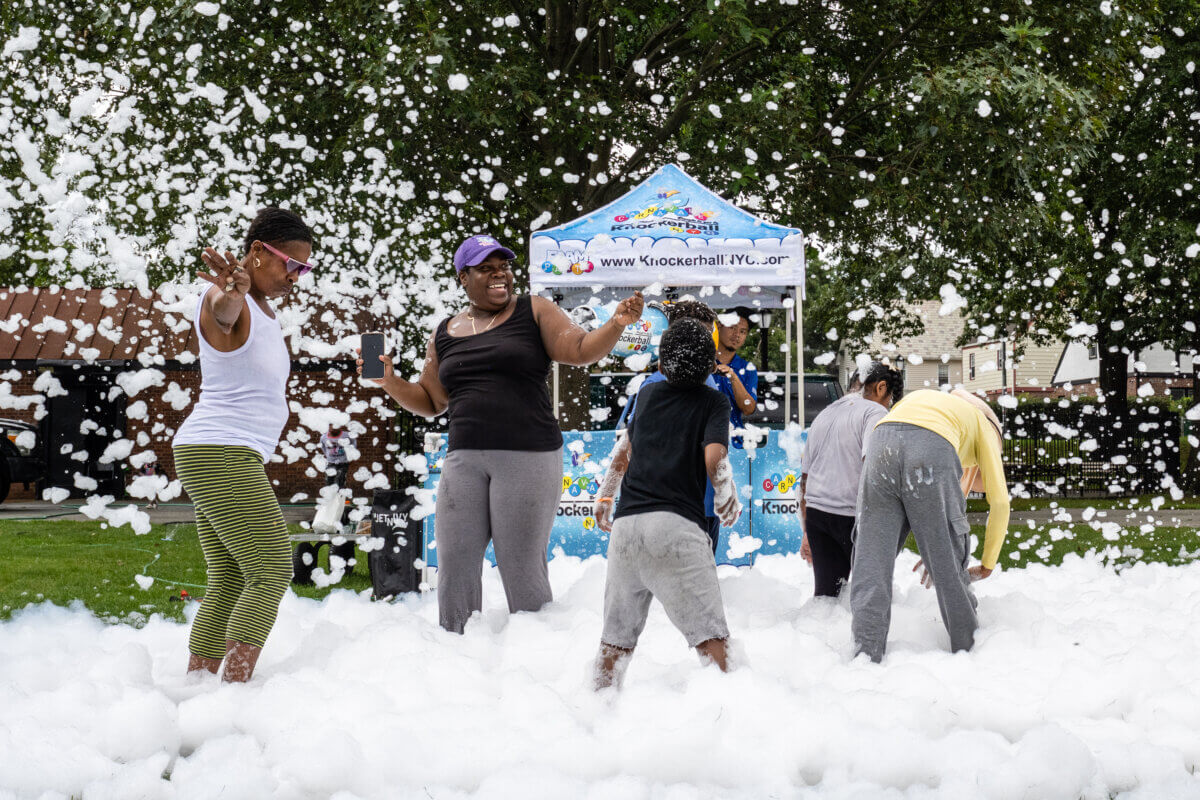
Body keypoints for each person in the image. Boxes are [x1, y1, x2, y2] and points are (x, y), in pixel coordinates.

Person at [358, 234, 644, 633]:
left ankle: (532, 662)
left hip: (528, 455)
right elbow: (431, 401)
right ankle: (457, 655)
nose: (499, 275)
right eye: (486, 268)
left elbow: (579, 350)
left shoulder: (535, 311)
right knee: (455, 567)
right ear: (464, 277)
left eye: (504, 266)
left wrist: (616, 324)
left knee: (521, 567)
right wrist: (388, 381)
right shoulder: (444, 332)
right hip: (463, 459)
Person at [172, 207, 315, 682]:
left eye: (303, 268)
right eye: (289, 264)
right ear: (256, 252)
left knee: (232, 575)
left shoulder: (265, 311)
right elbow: (222, 312)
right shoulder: (227, 296)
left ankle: (195, 690)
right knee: (273, 566)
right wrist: (231, 291)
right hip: (220, 450)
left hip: (214, 450)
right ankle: (233, 691)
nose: (295, 276)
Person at [592, 318, 742, 689]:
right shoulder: (714, 401)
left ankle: (595, 712)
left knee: (614, 644)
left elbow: (622, 453)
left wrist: (607, 494)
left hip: (627, 531)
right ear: (712, 366)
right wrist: (726, 497)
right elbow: (714, 459)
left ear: (659, 365)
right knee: (714, 645)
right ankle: (738, 719)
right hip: (675, 529)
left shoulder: (646, 395)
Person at [849, 388, 1009, 662]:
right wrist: (987, 564)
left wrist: (933, 542)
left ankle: (865, 658)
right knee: (949, 567)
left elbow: (928, 505)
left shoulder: (935, 405)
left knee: (871, 561)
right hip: (931, 446)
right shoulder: (985, 425)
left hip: (880, 440)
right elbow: (1000, 502)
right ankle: (970, 653)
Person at [603, 300, 726, 553]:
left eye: (707, 335)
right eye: (699, 333)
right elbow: (631, 445)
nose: (704, 343)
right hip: (675, 506)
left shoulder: (707, 378)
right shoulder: (656, 384)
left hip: (695, 503)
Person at [799, 362, 904, 597]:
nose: (888, 404)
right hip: (852, 518)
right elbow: (873, 466)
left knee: (827, 598)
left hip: (817, 515)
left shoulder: (826, 412)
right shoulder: (875, 412)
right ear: (881, 388)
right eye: (890, 398)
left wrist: (806, 531)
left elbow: (804, 478)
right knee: (867, 597)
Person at [712, 308, 758, 447]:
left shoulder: (748, 369)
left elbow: (749, 409)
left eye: (743, 331)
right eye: (732, 328)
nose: (737, 335)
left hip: (735, 445)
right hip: (700, 443)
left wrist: (733, 377)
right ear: (719, 326)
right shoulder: (702, 362)